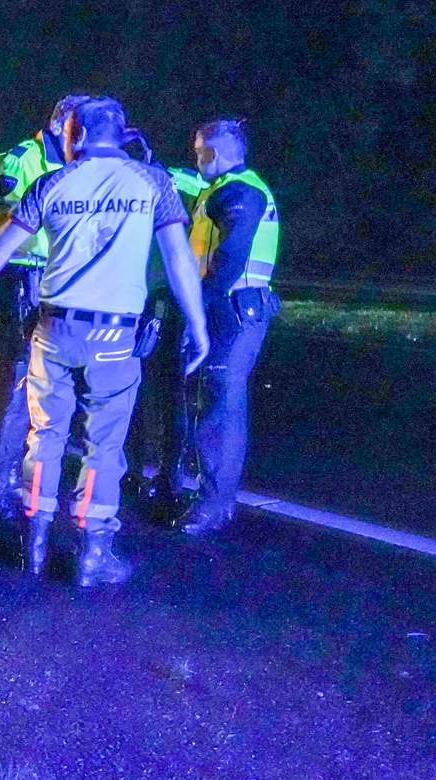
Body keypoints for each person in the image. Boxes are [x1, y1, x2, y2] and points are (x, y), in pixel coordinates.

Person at [0, 97, 209, 586]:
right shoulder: (152, 182)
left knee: (46, 436)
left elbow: (1, 246)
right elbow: (180, 261)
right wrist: (198, 327)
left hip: (53, 329)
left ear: (73, 136)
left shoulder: (54, 181)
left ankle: (33, 543)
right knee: (103, 445)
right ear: (119, 134)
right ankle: (92, 554)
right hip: (114, 335)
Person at [0, 94, 89, 528]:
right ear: (61, 126)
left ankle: (14, 481)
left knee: (42, 393)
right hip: (20, 283)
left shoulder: (74, 167)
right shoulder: (21, 161)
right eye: (81, 126)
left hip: (53, 284)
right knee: (14, 389)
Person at [173, 118, 281, 535]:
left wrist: (198, 308)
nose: (196, 159)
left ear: (213, 153)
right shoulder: (220, 189)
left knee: (221, 406)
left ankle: (214, 505)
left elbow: (232, 256)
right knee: (211, 401)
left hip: (234, 312)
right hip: (229, 308)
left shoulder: (239, 192)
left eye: (200, 151)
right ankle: (210, 495)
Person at [121, 158, 210, 520]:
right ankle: (159, 475)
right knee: (158, 392)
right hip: (161, 298)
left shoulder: (138, 184)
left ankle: (154, 475)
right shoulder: (180, 182)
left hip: (155, 300)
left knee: (148, 390)